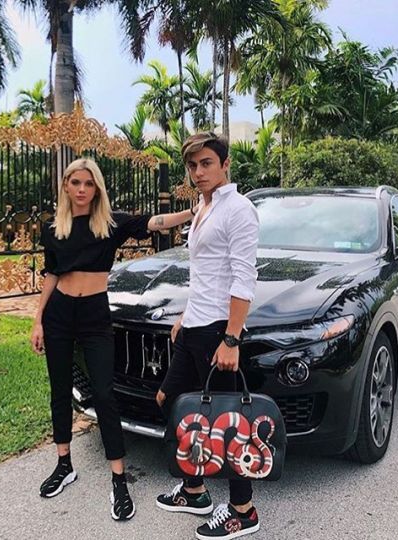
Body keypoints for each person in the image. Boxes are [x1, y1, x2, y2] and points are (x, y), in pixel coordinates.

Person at [30, 157, 195, 521]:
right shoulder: (53, 227)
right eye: (76, 183)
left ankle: (119, 478)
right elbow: (52, 274)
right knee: (59, 390)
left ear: (97, 188)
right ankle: (63, 464)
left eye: (89, 184)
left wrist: (193, 211)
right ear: (66, 186)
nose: (82, 190)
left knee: (104, 393)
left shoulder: (111, 222)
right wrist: (38, 319)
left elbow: (155, 222)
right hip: (59, 314)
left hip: (93, 316)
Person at [155, 133, 260, 539]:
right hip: (194, 327)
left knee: (226, 424)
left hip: (219, 331)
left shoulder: (239, 209)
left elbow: (242, 275)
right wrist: (185, 313)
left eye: (206, 164)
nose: (198, 172)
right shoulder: (204, 206)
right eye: (193, 166)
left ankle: (243, 510)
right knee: (170, 401)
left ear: (224, 163)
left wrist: (232, 338)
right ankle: (195, 490)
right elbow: (205, 273)